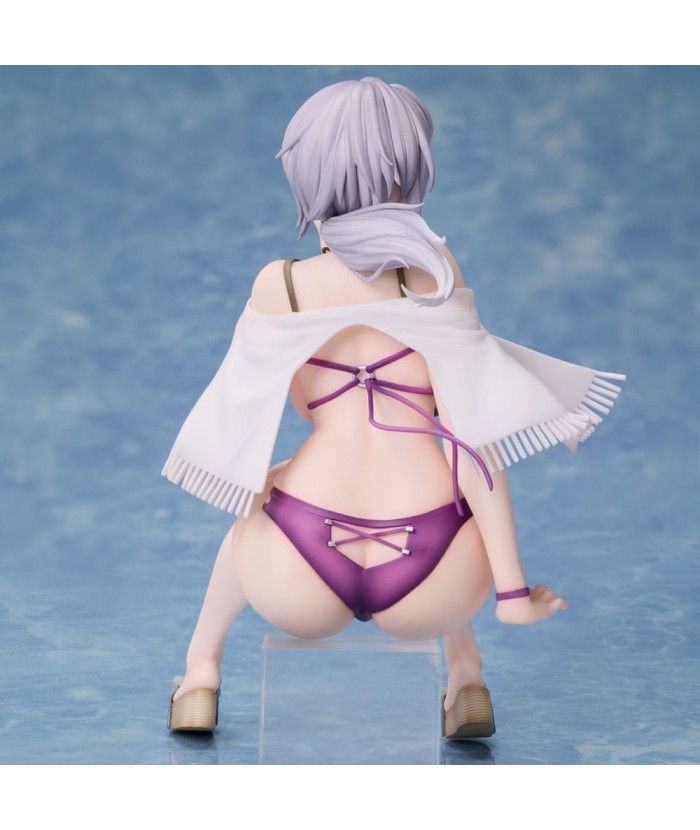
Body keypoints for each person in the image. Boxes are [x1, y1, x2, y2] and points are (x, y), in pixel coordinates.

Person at [162, 77, 624, 738]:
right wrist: (512, 593)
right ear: (410, 172)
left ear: (310, 175)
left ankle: (200, 673)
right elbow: (473, 445)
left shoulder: (281, 285)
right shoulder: (435, 275)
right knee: (453, 496)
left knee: (258, 503)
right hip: (435, 582)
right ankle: (466, 673)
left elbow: (286, 410)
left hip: (296, 570)